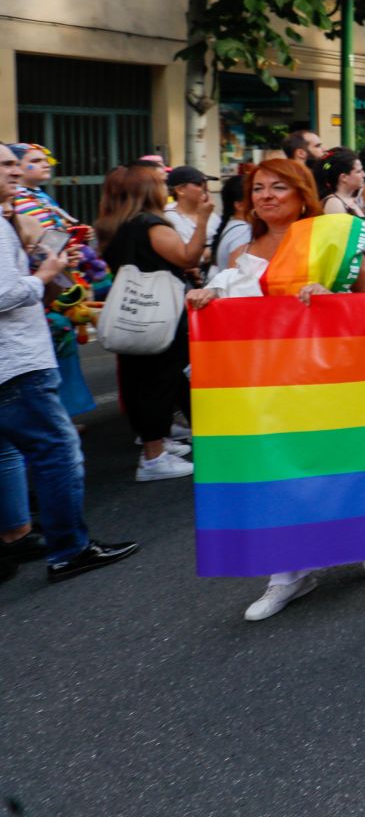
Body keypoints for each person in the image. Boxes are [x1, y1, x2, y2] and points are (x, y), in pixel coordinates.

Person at [185, 158, 365, 621]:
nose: (266, 196)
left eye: (279, 187)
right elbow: (235, 309)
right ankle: (287, 575)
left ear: (302, 194)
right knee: (276, 474)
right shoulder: (240, 252)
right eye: (258, 188)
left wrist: (331, 300)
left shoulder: (332, 239)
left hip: (327, 377)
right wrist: (207, 299)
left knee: (335, 461)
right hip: (265, 386)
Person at [0, 145, 138, 582]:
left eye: (15, 163)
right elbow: (5, 295)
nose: (16, 170)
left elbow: (32, 291)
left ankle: (15, 538)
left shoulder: (10, 219)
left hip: (16, 356)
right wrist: (43, 275)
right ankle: (69, 550)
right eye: (5, 164)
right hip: (16, 362)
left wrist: (55, 267)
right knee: (57, 452)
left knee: (8, 452)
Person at [95, 164, 205, 482]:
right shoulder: (149, 224)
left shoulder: (113, 226)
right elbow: (188, 256)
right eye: (159, 182)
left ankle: (154, 442)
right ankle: (154, 456)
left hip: (132, 312)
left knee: (138, 379)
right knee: (160, 380)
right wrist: (202, 219)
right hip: (160, 312)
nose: (164, 187)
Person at [6, 143, 100, 421]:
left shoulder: (38, 197)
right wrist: (50, 265)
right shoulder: (19, 204)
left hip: (46, 286)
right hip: (34, 294)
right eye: (35, 160)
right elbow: (33, 252)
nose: (45, 164)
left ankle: (59, 414)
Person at [163, 165, 220, 272]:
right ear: (180, 190)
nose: (206, 189)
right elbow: (189, 257)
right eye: (199, 184)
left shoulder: (213, 216)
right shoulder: (169, 217)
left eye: (206, 184)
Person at [213, 164, 256, 271]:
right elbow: (239, 274)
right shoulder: (243, 231)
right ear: (239, 205)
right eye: (256, 192)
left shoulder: (234, 227)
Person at [314, 148, 365, 219]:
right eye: (358, 171)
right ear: (344, 177)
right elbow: (341, 227)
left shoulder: (350, 200)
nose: (364, 175)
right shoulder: (334, 203)